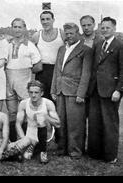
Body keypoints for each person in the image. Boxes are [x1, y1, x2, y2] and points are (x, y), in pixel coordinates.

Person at [50, 23, 92, 159]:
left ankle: (75, 151)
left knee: (75, 123)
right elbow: (57, 70)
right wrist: (53, 89)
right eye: (67, 34)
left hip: (75, 92)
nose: (69, 36)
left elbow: (86, 74)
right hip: (60, 90)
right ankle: (62, 149)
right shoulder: (61, 49)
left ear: (77, 33)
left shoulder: (85, 50)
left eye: (71, 33)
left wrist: (81, 93)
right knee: (60, 121)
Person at [88, 17, 123, 164]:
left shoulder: (120, 45)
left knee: (110, 123)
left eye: (107, 28)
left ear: (114, 29)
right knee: (95, 122)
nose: (104, 30)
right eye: (102, 27)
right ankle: (95, 153)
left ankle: (110, 156)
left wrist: (119, 90)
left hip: (111, 91)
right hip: (95, 89)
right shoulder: (98, 44)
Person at [6, 18, 41, 141]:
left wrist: (27, 73)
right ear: (11, 28)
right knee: (12, 112)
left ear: (24, 28)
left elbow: (38, 65)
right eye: (14, 27)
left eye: (19, 27)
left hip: (23, 79)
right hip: (9, 79)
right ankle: (13, 141)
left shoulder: (29, 45)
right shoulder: (8, 44)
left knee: (26, 111)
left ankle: (28, 140)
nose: (17, 30)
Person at [0, 91, 35, 162]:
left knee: (27, 140)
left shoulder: (2, 116)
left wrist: (0, 151)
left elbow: (6, 137)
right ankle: (11, 156)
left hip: (5, 145)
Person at [16, 80, 60, 164]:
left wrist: (46, 117)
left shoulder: (48, 103)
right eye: (31, 92)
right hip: (30, 132)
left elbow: (58, 124)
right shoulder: (23, 103)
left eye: (36, 92)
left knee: (41, 121)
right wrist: (23, 139)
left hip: (45, 132)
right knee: (26, 156)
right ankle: (32, 146)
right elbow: (18, 124)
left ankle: (43, 152)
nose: (33, 95)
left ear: (42, 93)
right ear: (28, 92)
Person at [31, 11, 65, 101]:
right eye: (43, 19)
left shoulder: (61, 33)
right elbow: (30, 53)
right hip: (42, 72)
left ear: (53, 20)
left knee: (58, 100)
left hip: (58, 70)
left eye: (48, 19)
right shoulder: (36, 35)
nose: (45, 22)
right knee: (42, 101)